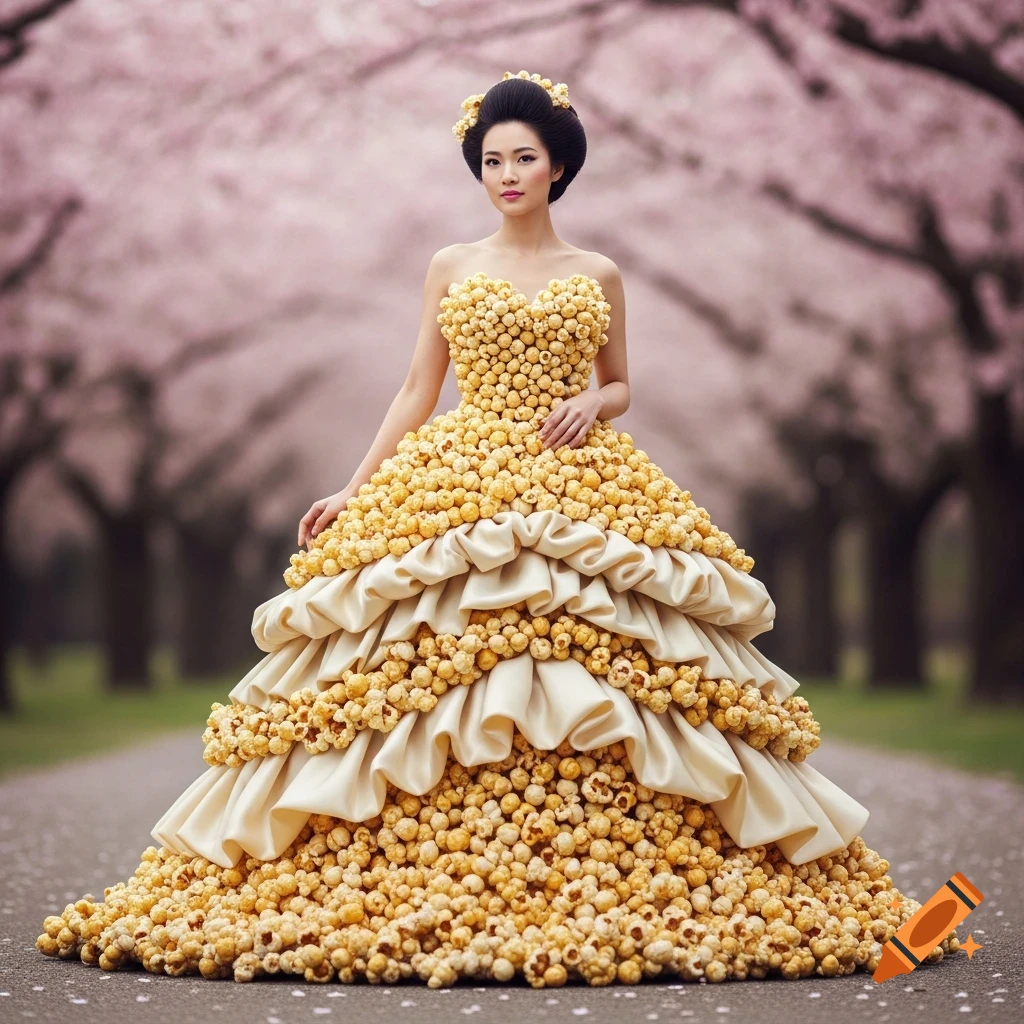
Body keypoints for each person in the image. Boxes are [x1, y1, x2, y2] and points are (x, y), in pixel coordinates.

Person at [37, 69, 959, 988]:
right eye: (491, 161)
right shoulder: (451, 264)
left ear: (558, 166)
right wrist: (355, 489)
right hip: (460, 475)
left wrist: (593, 402)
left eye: (523, 158)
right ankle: (401, 861)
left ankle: (629, 860)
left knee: (607, 645)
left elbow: (621, 384)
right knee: (425, 654)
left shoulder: (598, 272)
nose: (507, 175)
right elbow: (417, 389)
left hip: (579, 474)